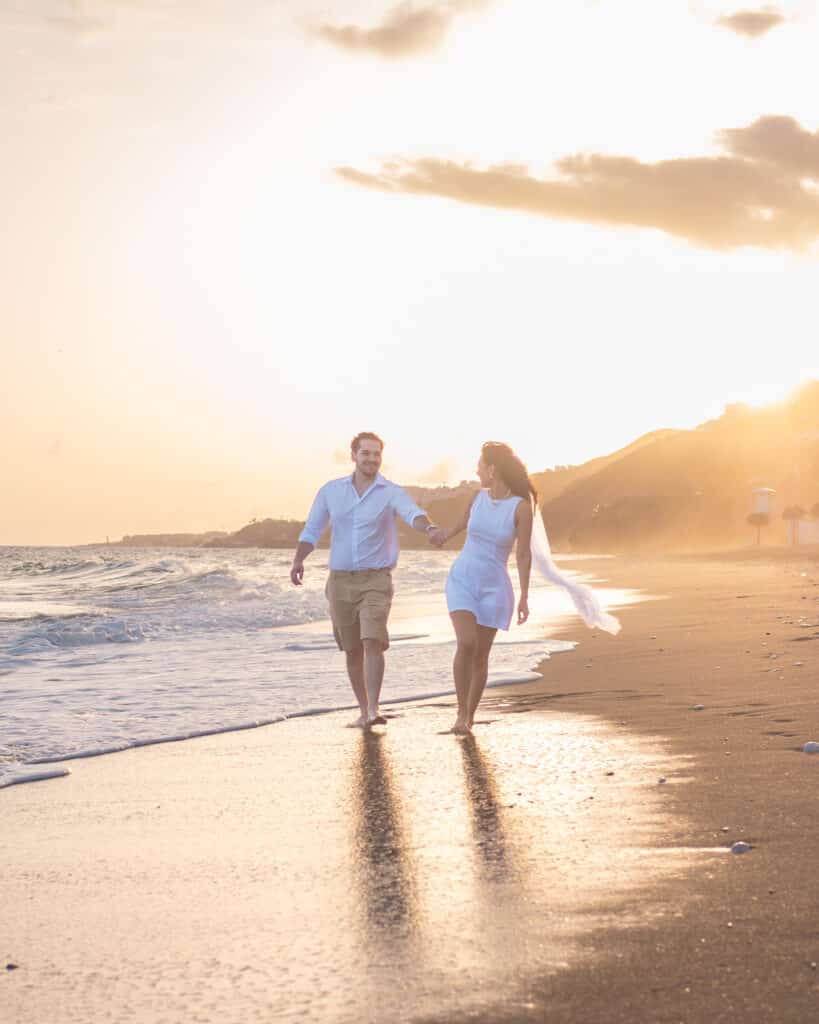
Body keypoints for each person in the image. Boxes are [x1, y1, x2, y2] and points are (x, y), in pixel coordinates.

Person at [438, 441, 620, 735]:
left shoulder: (521, 507)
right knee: (466, 643)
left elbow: (523, 554)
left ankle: (469, 717)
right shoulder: (476, 498)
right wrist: (441, 536)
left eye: (480, 465)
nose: (476, 470)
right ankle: (460, 712)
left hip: (494, 586)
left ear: (492, 469)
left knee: (481, 655)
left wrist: (524, 596)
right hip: (462, 578)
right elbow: (459, 526)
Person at [291, 432, 445, 728]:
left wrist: (430, 528)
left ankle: (374, 709)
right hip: (339, 582)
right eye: (366, 454)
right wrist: (299, 560)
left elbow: (413, 513)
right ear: (354, 456)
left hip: (376, 579)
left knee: (372, 639)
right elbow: (312, 530)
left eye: (376, 454)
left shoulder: (390, 492)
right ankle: (363, 710)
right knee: (352, 649)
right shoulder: (331, 491)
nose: (372, 459)